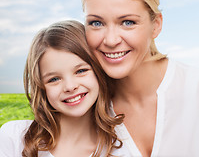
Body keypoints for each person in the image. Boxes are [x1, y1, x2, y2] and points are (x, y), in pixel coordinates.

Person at [81, 0, 199, 157]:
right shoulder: (83, 107)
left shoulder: (193, 87)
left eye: (127, 22)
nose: (110, 40)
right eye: (97, 23)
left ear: (156, 25)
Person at [0, 20, 133, 157]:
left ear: (99, 71)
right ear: (41, 88)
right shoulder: (14, 138)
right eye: (54, 79)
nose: (70, 87)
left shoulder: (123, 148)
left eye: (80, 71)